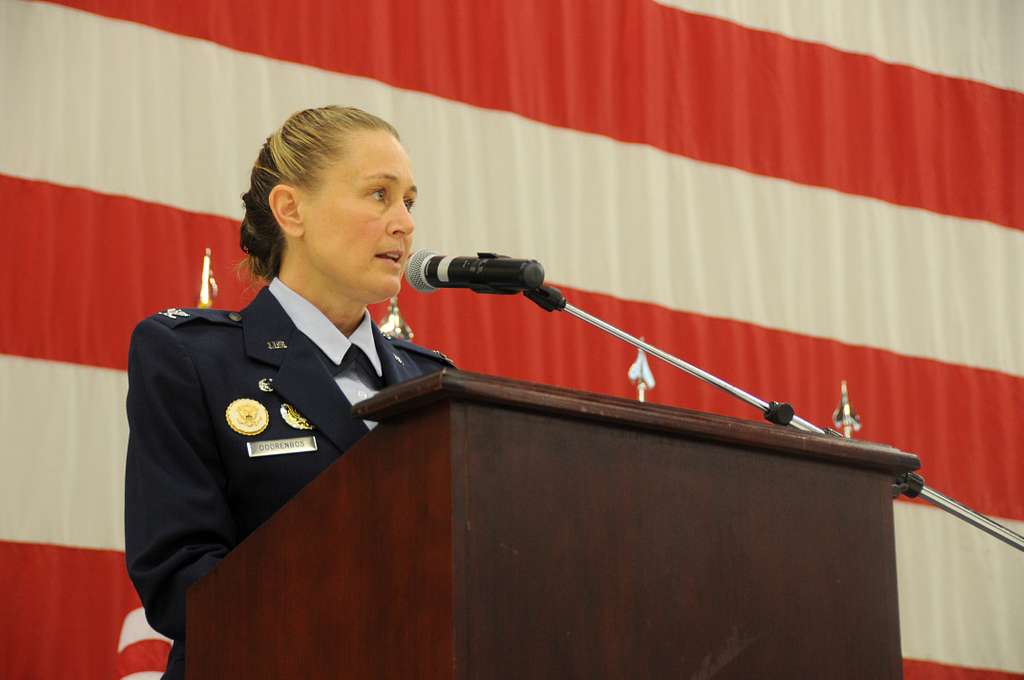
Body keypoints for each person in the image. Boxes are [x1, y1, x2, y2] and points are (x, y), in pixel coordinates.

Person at [124, 106, 453, 680]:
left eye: (410, 202)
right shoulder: (193, 359)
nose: (404, 223)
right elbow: (181, 578)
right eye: (379, 195)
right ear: (290, 209)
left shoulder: (435, 383)